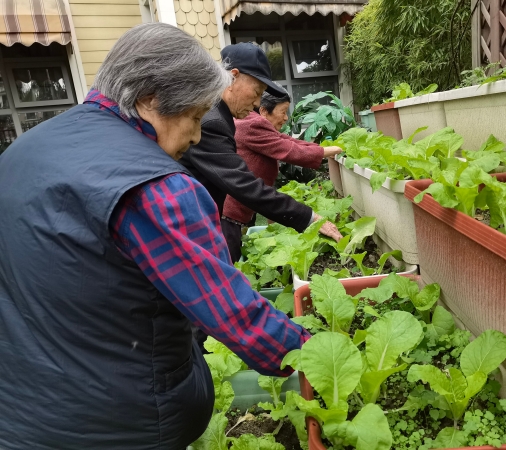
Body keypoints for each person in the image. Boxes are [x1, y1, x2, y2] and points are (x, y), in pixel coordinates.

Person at [0, 23, 310, 450]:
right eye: (195, 117)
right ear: (150, 99)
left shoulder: (23, 150)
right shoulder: (156, 187)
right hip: (118, 426)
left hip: (20, 415)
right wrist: (315, 353)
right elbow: (233, 314)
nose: (198, 135)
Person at [179, 43, 342, 262]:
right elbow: (244, 185)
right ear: (233, 77)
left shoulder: (218, 114)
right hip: (192, 230)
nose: (257, 103)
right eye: (257, 93)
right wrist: (309, 217)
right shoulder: (212, 122)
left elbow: (284, 141)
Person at [222, 88, 343, 259]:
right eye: (283, 112)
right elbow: (289, 150)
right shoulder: (252, 124)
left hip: (242, 205)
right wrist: (334, 150)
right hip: (231, 212)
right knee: (230, 258)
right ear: (264, 111)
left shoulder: (253, 121)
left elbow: (288, 141)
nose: (286, 117)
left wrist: (324, 150)